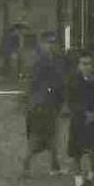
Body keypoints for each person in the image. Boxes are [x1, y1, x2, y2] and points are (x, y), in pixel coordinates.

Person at [20, 35, 65, 177]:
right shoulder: (45, 62)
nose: (52, 46)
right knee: (44, 136)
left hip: (40, 104)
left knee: (45, 137)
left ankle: (52, 166)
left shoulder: (44, 60)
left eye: (53, 43)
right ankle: (35, 166)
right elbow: (53, 83)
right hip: (44, 104)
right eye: (49, 43)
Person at [65, 49, 94, 186]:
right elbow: (71, 101)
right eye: (84, 64)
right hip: (79, 120)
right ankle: (78, 180)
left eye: (89, 64)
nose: (87, 67)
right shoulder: (73, 81)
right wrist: (84, 113)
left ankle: (91, 176)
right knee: (74, 152)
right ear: (79, 66)